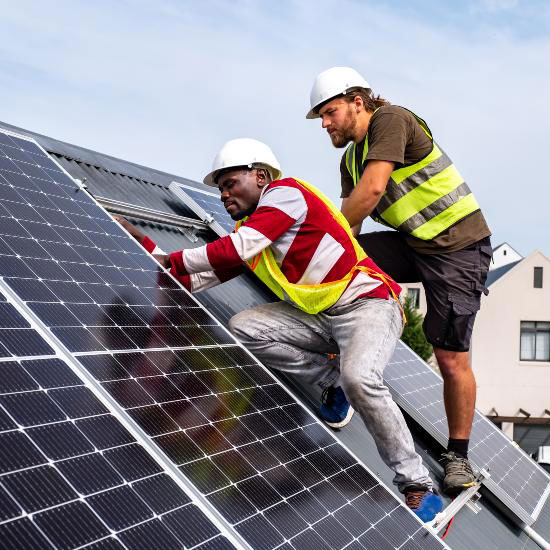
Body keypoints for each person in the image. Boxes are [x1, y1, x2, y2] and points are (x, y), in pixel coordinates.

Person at [115, 138, 443, 521]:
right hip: (322, 318)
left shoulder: (286, 195)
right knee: (244, 328)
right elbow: (196, 278)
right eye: (219, 188)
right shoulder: (252, 231)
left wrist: (172, 257)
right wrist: (145, 244)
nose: (223, 194)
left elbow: (231, 250)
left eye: (230, 183)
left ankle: (416, 482)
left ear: (260, 175)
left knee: (361, 377)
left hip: (368, 304)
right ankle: (329, 381)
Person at [306, 66, 492, 495]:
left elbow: (370, 194)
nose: (325, 124)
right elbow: (347, 226)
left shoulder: (392, 121)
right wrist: (326, 261)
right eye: (320, 117)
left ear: (358, 101)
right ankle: (344, 373)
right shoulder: (349, 160)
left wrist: (328, 245)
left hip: (458, 248)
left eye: (330, 112)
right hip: (414, 243)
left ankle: (458, 457)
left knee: (450, 358)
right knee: (345, 265)